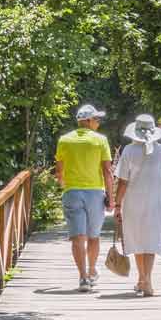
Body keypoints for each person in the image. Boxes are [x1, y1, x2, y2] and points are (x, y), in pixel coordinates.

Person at [113, 114, 161, 297]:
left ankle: (143, 280)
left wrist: (117, 205)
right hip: (157, 201)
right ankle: (146, 281)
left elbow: (123, 181)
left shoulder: (128, 151)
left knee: (137, 240)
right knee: (151, 240)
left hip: (133, 201)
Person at [55, 104, 114, 292]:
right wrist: (111, 198)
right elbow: (107, 171)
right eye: (96, 119)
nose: (98, 123)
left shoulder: (64, 140)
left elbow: (59, 171)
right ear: (88, 121)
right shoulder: (101, 140)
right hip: (95, 192)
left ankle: (82, 277)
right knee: (94, 236)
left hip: (72, 192)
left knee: (77, 237)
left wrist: (65, 187)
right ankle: (91, 270)